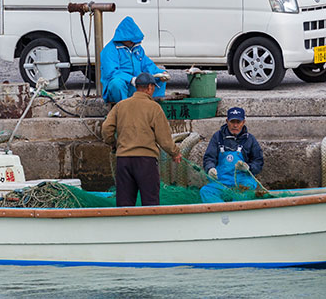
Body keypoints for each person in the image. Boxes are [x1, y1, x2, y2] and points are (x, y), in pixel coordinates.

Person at [101, 72, 182, 206]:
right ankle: (149, 227)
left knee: (124, 204)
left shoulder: (120, 106)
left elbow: (106, 129)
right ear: (150, 87)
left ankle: (126, 227)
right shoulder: (154, 108)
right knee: (150, 203)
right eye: (154, 87)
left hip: (123, 161)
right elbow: (164, 139)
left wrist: (114, 145)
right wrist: (175, 153)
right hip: (146, 162)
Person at [200, 107, 263, 203]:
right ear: (227, 121)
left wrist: (249, 167)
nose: (235, 125)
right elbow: (209, 158)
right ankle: (221, 213)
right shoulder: (217, 137)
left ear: (243, 122)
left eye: (238, 122)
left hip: (242, 182)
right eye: (232, 122)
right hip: (221, 182)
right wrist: (210, 169)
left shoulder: (250, 139)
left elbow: (258, 161)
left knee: (244, 194)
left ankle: (235, 213)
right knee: (205, 191)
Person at [101, 16, 169, 103]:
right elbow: (112, 73)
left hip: (136, 84)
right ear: (123, 37)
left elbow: (146, 64)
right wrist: (131, 79)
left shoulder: (137, 48)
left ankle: (152, 107)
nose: (133, 42)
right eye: (131, 40)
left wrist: (160, 73)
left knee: (158, 80)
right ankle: (125, 109)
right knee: (116, 83)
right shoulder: (110, 50)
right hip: (122, 85)